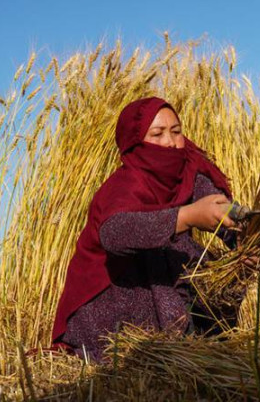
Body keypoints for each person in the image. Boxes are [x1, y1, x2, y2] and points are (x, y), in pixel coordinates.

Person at [51, 96, 243, 361]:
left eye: (176, 132)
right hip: (113, 297)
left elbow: (220, 208)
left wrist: (244, 238)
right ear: (135, 142)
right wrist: (186, 216)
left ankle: (203, 341)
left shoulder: (187, 171)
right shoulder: (123, 185)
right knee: (163, 254)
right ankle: (166, 347)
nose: (169, 142)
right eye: (157, 133)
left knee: (198, 263)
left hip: (162, 275)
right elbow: (115, 233)